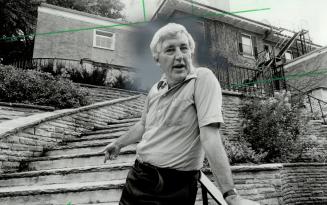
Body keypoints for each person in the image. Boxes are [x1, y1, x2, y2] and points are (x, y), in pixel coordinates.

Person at [101, 23, 259, 205]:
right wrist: (118, 144)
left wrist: (230, 194)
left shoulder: (202, 79)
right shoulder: (155, 89)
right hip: (138, 177)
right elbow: (143, 125)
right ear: (157, 58)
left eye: (184, 48)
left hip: (173, 188)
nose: (179, 56)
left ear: (190, 52)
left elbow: (210, 138)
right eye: (170, 50)